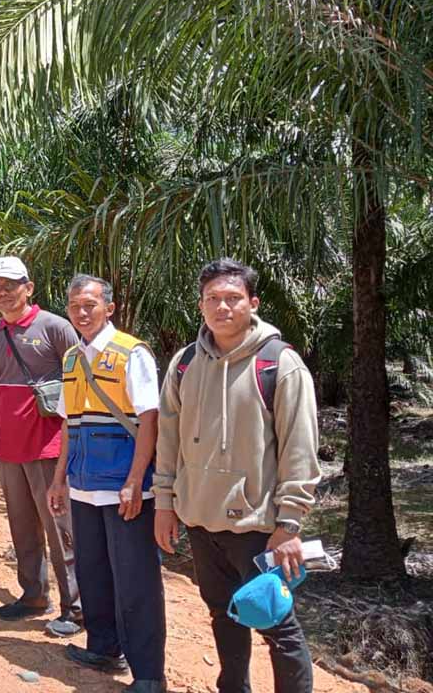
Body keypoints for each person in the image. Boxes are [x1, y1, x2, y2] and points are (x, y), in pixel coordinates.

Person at [154, 258, 320, 693]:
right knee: (222, 614)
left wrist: (289, 525)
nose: (222, 307)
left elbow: (300, 450)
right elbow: (168, 440)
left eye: (233, 298)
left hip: (258, 527)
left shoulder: (279, 365)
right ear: (201, 304)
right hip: (200, 520)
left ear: (252, 303)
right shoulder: (185, 363)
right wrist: (166, 504)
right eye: (213, 299)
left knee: (277, 627)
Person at [48, 274, 166, 692]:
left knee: (135, 579)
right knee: (93, 571)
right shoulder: (71, 359)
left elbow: (150, 419)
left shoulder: (131, 353)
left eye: (90, 305)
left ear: (109, 308)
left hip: (123, 486)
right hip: (82, 483)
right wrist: (59, 479)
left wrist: (136, 480)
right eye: (75, 305)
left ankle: (149, 673)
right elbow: (68, 424)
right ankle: (102, 646)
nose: (82, 312)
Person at [0, 256, 82, 635]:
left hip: (49, 448)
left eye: (11, 284)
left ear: (29, 287)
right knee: (22, 527)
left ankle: (77, 606)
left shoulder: (56, 328)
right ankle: (34, 595)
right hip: (9, 447)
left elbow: (79, 387)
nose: (3, 292)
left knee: (61, 529)